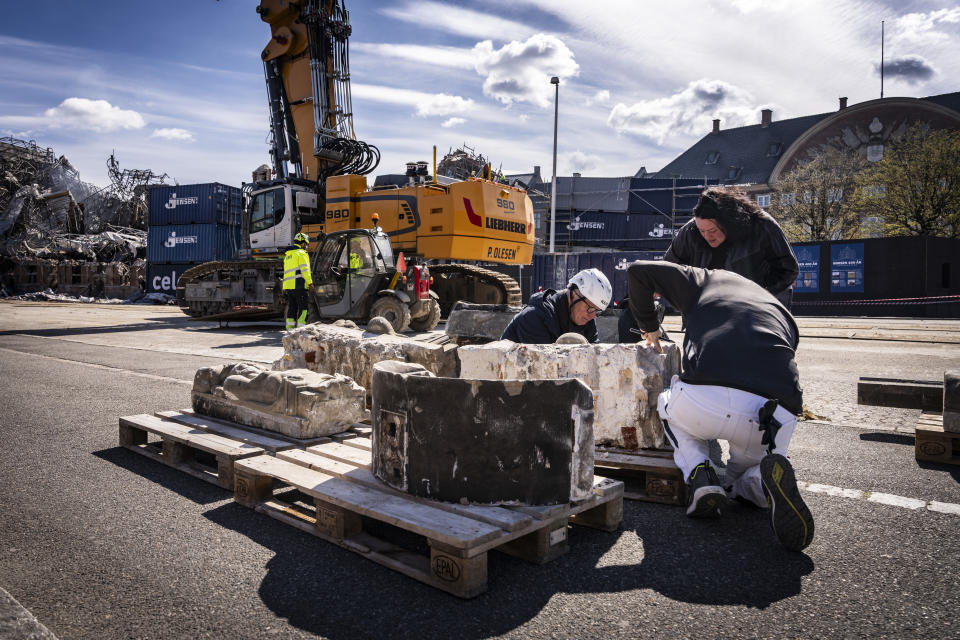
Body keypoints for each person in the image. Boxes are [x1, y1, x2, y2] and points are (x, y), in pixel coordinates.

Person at [626, 259, 814, 552]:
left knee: (667, 403)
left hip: (704, 401)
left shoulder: (704, 280)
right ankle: (758, 484)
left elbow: (637, 270)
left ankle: (701, 475)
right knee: (748, 472)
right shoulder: (779, 310)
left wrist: (650, 327)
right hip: (773, 415)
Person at [664, 186, 799, 306]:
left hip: (760, 306)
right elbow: (669, 268)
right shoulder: (690, 230)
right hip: (708, 306)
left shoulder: (762, 225)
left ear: (728, 222)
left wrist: (761, 294)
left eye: (712, 231)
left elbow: (788, 269)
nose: (707, 236)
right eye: (702, 231)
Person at [501, 268, 612, 344]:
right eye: (591, 308)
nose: (593, 316)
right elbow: (543, 369)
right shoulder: (534, 317)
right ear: (574, 294)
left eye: (597, 311)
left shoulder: (587, 320)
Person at [283, 232, 315, 330]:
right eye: (306, 244)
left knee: (292, 308)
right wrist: (310, 283)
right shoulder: (301, 253)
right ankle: (301, 329)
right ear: (302, 243)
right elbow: (305, 271)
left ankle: (290, 330)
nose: (306, 247)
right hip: (299, 285)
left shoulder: (288, 255)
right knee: (303, 308)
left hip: (288, 286)